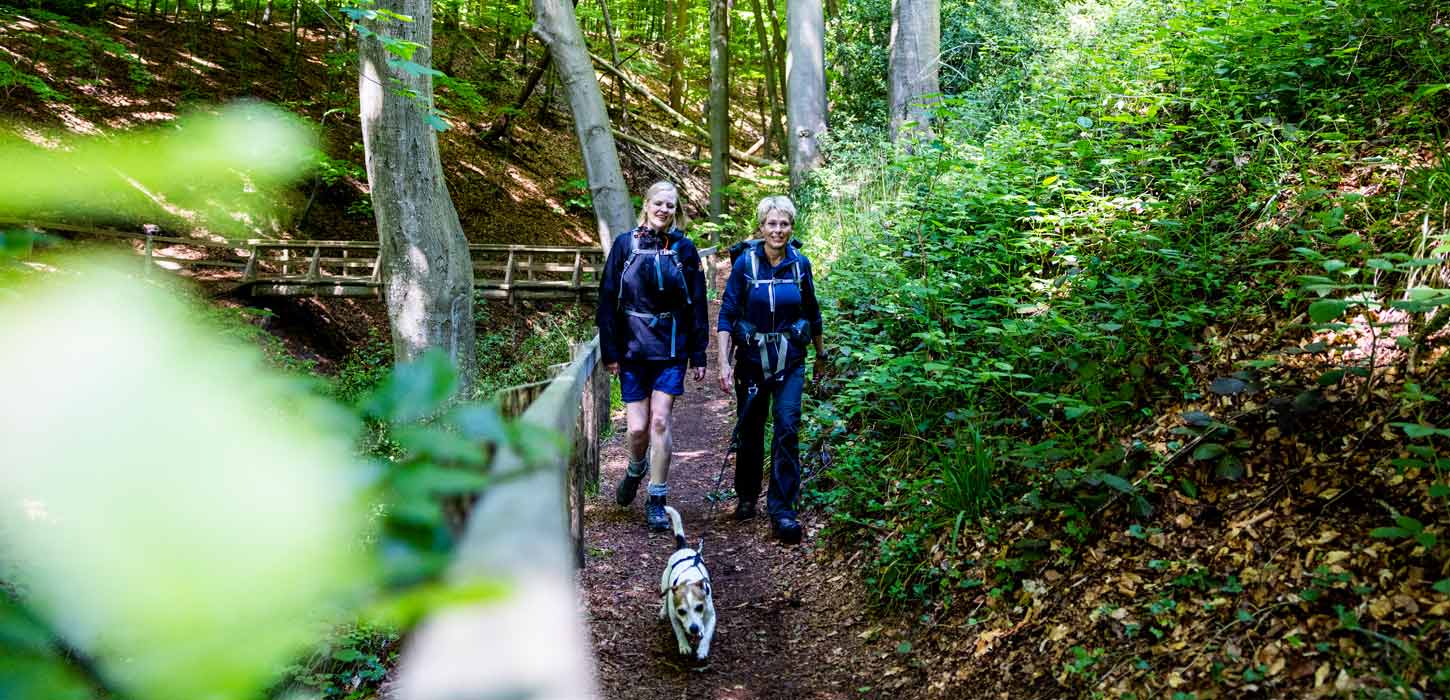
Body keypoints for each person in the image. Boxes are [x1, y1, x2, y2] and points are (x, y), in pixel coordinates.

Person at [597, 181, 708, 531]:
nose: (664, 210)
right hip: (633, 348)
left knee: (660, 421)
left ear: (676, 211)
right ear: (645, 205)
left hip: (671, 348)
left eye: (670, 205)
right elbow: (607, 300)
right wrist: (610, 350)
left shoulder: (684, 248)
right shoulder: (624, 245)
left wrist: (699, 352)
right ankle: (635, 468)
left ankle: (657, 497)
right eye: (658, 203)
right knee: (637, 429)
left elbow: (698, 303)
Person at [716, 195, 825, 544]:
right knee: (750, 427)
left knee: (787, 426)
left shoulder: (800, 265)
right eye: (772, 224)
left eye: (784, 224)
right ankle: (747, 495)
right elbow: (727, 314)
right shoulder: (745, 265)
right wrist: (723, 361)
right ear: (761, 227)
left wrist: (821, 354)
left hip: (791, 361)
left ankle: (783, 510)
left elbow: (812, 311)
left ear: (792, 227)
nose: (778, 230)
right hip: (751, 361)